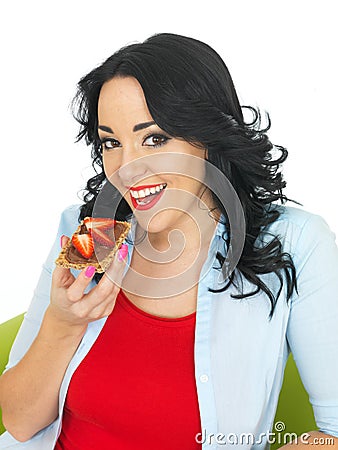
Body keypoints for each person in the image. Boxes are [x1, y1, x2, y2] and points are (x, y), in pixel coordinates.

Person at [0, 33, 337, 450]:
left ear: (208, 136)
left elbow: (334, 432)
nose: (127, 168)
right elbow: (19, 423)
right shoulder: (93, 232)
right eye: (111, 143)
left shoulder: (292, 240)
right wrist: (63, 323)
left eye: (155, 138)